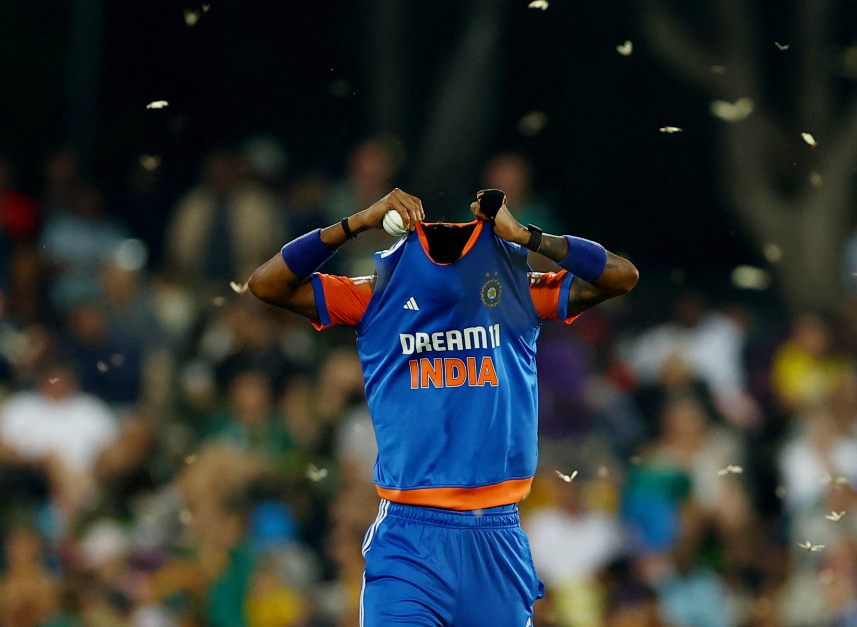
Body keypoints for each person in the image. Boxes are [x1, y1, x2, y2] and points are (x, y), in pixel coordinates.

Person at [248, 187, 638, 625]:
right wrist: (356, 222)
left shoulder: (517, 291)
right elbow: (266, 284)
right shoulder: (378, 293)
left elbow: (622, 276)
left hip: (496, 539)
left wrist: (528, 236)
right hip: (409, 544)